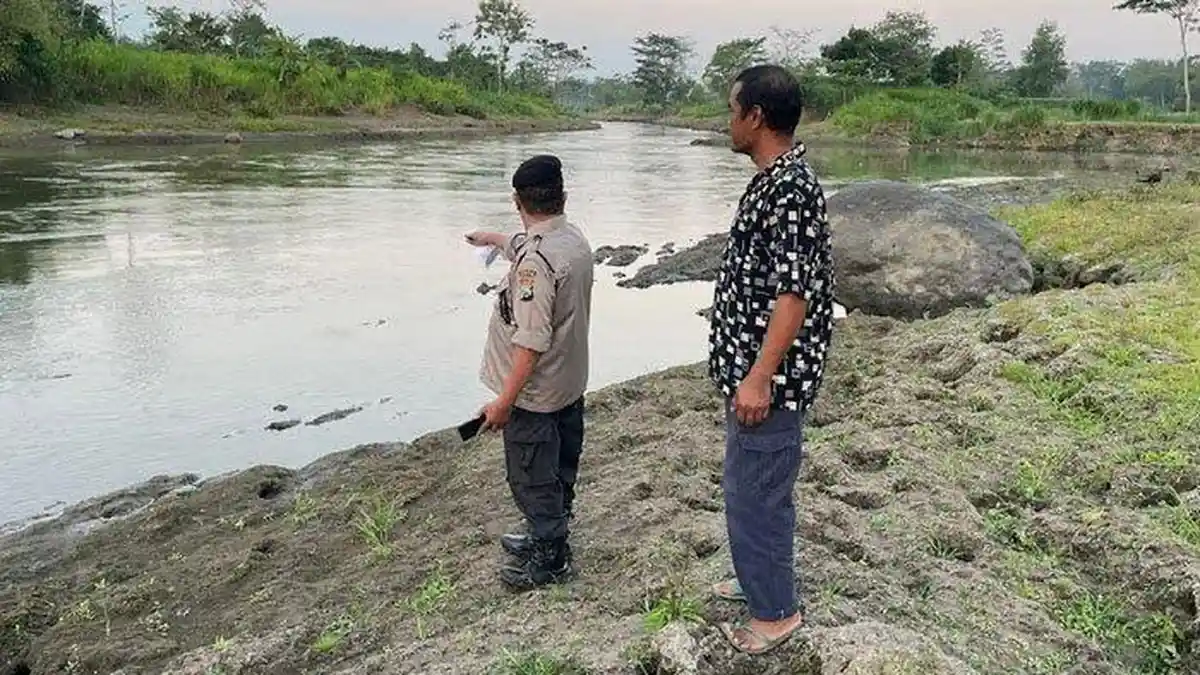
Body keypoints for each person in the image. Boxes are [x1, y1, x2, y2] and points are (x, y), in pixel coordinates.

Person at [706, 65, 836, 654]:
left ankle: (776, 614)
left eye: (732, 109)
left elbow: (793, 294)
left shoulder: (790, 189)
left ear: (755, 116)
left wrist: (760, 376)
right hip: (751, 373)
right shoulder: (772, 181)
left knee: (758, 492)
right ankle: (756, 580)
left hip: (770, 380)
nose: (727, 121)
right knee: (746, 485)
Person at [465, 154, 594, 592]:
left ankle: (550, 558)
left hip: (534, 396)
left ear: (517, 201)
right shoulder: (571, 239)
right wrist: (493, 239)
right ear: (563, 198)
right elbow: (524, 244)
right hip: (568, 385)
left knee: (532, 476)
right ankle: (552, 533)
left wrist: (503, 402)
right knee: (560, 466)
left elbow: (531, 340)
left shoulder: (535, 263)